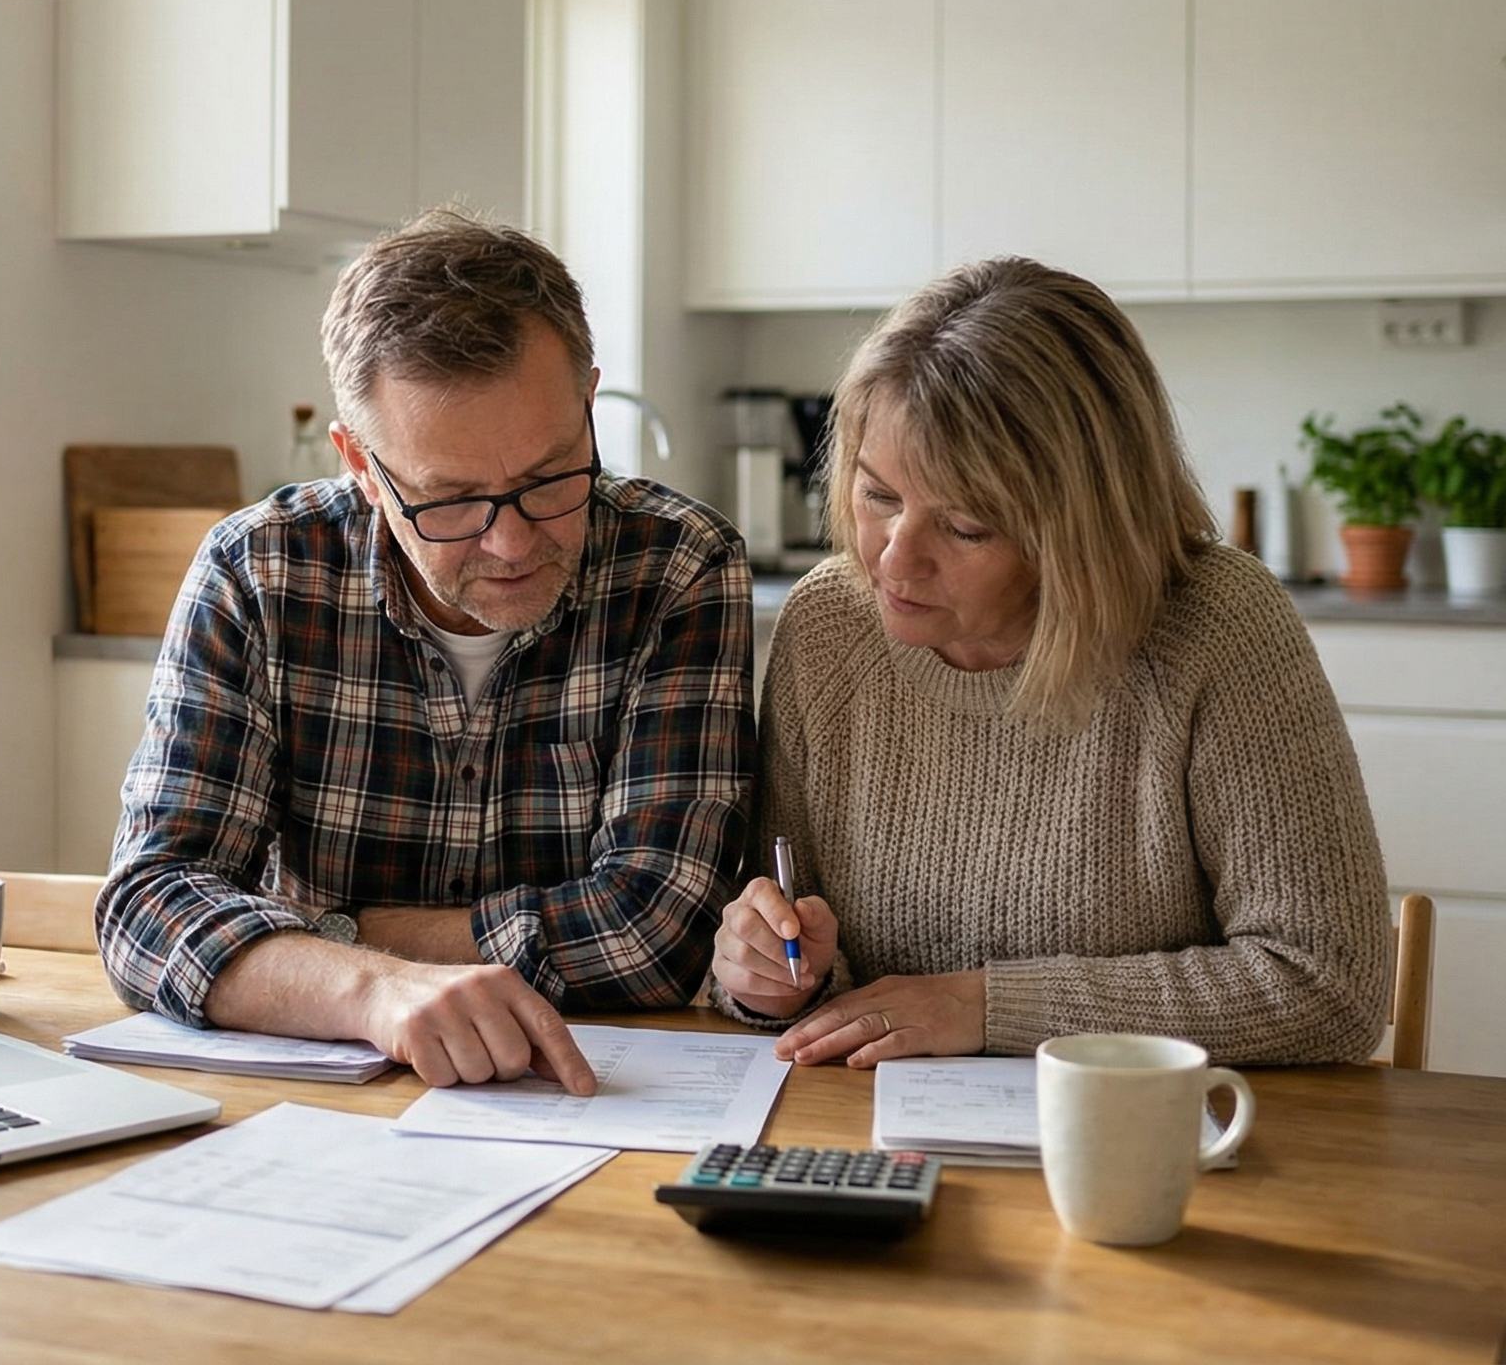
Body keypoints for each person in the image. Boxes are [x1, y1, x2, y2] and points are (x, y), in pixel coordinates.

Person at [97, 210, 756, 1094]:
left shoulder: (679, 566)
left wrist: (321, 933)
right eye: (450, 502)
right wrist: (373, 989)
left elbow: (657, 929)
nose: (514, 544)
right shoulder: (257, 570)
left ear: (589, 403)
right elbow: (147, 906)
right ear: (360, 466)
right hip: (330, 1102)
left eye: (552, 477)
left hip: (599, 1097)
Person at [710, 256, 1391, 1068]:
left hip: (1152, 1148)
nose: (894, 560)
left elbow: (1328, 985)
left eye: (965, 527)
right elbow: (806, 960)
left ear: (1081, 531)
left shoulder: (1215, 628)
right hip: (883, 1139)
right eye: (877, 495)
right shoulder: (830, 623)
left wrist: (987, 1007)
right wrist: (768, 975)